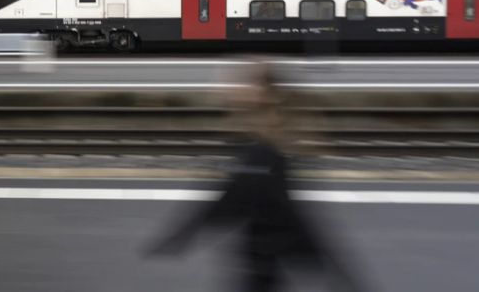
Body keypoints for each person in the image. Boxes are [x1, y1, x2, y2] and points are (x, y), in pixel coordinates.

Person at [145, 61, 360, 292]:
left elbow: (253, 202)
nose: (228, 88)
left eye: (240, 83)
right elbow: (237, 198)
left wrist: (182, 235)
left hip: (264, 257)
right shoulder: (258, 143)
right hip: (261, 256)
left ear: (261, 92)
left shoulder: (263, 150)